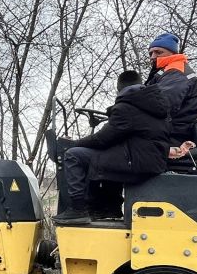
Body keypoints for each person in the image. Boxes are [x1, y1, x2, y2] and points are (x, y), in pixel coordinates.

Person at [53, 71, 171, 226]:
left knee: (74, 155)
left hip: (137, 162)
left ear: (120, 88)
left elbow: (102, 139)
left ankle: (78, 210)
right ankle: (109, 208)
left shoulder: (127, 107)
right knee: (104, 157)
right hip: (149, 160)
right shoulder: (151, 105)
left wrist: (75, 143)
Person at [144, 32, 197, 144]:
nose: (153, 56)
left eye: (158, 52)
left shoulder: (176, 71)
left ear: (172, 53)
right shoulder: (167, 71)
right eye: (150, 53)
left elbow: (160, 105)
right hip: (170, 131)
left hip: (173, 135)